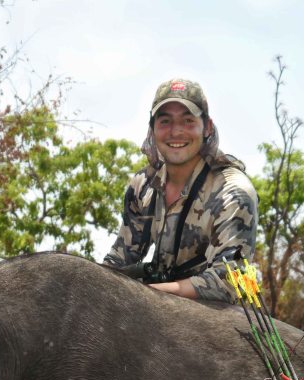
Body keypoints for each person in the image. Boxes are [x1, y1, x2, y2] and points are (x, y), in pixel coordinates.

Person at [103, 78, 258, 303]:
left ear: (207, 127)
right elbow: (119, 261)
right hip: (159, 303)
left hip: (218, 313)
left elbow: (232, 282)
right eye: (165, 121)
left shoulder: (233, 192)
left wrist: (147, 294)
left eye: (188, 120)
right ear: (152, 128)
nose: (176, 131)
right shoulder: (142, 185)